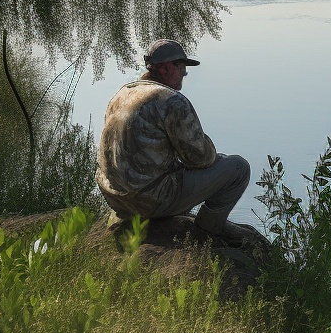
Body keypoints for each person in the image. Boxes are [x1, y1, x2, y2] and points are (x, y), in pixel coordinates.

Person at [96, 39, 252, 244]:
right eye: (182, 67)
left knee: (171, 169)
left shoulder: (122, 94)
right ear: (165, 68)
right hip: (150, 201)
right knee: (237, 168)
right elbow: (201, 158)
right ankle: (211, 226)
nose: (185, 74)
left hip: (116, 199)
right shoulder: (170, 100)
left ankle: (132, 213)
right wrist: (215, 155)